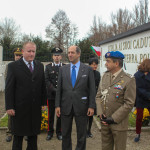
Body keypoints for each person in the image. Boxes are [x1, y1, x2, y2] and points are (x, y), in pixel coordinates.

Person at [5, 42, 46, 150]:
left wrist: (43, 104)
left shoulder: (39, 66)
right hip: (19, 109)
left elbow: (43, 86)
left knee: (33, 137)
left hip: (35, 109)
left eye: (33, 51)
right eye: (29, 51)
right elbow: (9, 88)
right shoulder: (13, 67)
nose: (31, 54)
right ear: (23, 52)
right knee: (18, 138)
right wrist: (9, 106)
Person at [55, 46, 96, 150]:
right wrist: (57, 105)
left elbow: (92, 89)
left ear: (78, 54)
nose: (70, 55)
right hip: (65, 106)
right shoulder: (62, 69)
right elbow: (59, 89)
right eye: (68, 52)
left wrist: (91, 106)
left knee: (81, 135)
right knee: (65, 134)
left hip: (82, 106)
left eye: (72, 52)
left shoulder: (88, 69)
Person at [96, 51, 136, 150]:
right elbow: (98, 96)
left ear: (116, 63)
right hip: (105, 122)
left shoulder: (129, 79)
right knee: (105, 147)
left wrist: (113, 118)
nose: (105, 64)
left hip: (119, 124)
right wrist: (100, 113)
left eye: (108, 61)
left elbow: (129, 103)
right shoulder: (105, 76)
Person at [45, 47, 65, 141]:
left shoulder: (65, 67)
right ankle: (50, 132)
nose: (56, 57)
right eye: (55, 55)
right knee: (51, 115)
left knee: (60, 115)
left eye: (58, 55)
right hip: (51, 95)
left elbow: (66, 81)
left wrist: (60, 91)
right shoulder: (48, 67)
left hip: (61, 96)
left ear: (61, 56)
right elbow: (47, 80)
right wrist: (54, 90)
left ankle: (59, 132)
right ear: (52, 56)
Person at [5, 48, 23, 142]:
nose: (18, 57)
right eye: (17, 55)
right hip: (13, 94)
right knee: (11, 115)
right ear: (14, 56)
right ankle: (9, 132)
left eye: (20, 55)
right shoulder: (10, 66)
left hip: (22, 95)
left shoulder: (25, 66)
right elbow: (7, 81)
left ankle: (24, 132)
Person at [134, 59, 150, 142]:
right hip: (141, 98)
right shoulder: (137, 75)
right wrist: (148, 95)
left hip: (149, 99)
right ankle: (138, 133)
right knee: (139, 117)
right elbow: (138, 88)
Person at [87, 57, 101, 138]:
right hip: (86, 96)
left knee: (91, 115)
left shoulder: (97, 74)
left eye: (96, 65)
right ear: (90, 65)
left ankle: (89, 130)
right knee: (85, 115)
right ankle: (84, 131)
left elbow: (98, 85)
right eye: (93, 64)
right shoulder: (86, 72)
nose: (95, 66)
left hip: (94, 96)